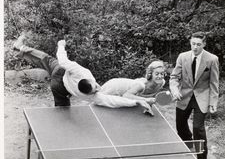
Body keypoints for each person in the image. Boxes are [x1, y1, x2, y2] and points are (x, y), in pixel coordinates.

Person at [13, 33, 165, 114]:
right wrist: (61, 46)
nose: (99, 89)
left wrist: (61, 46)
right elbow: (63, 61)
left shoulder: (87, 82)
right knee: (62, 111)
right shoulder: (86, 84)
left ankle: (20, 49)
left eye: (96, 88)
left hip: (63, 76)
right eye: (96, 89)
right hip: (59, 84)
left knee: (45, 59)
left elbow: (63, 60)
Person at [169, 31, 219, 159]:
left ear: (204, 44)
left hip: (201, 97)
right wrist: (174, 90)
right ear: (190, 43)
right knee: (180, 126)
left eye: (198, 44)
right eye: (193, 44)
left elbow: (214, 83)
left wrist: (213, 102)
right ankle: (189, 145)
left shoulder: (212, 59)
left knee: (198, 128)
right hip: (184, 96)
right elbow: (174, 77)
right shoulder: (182, 57)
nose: (195, 47)